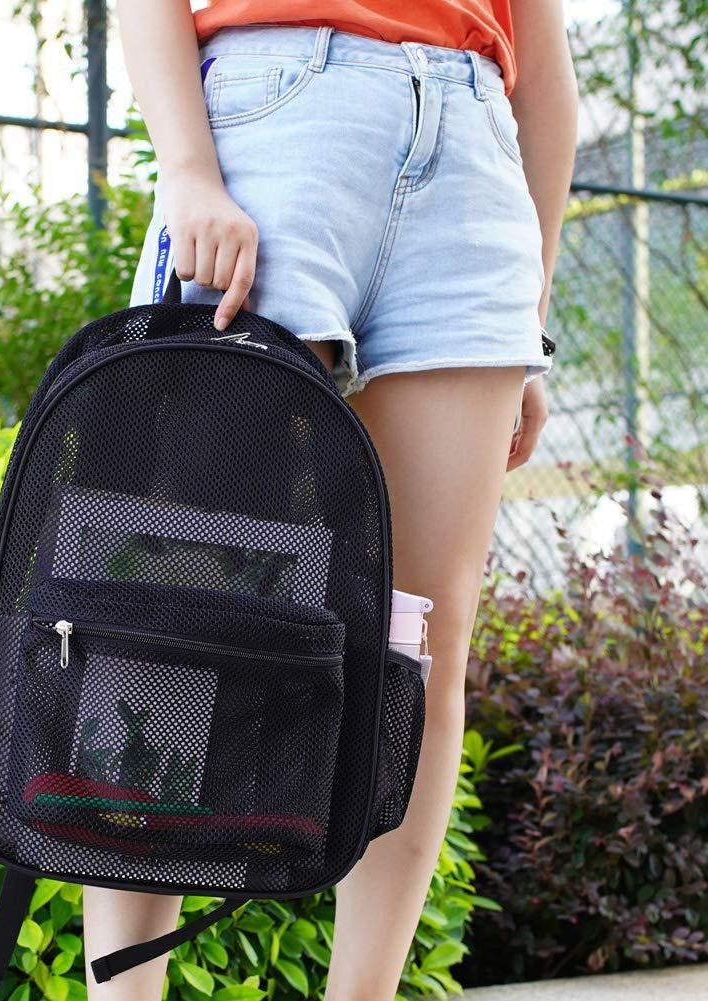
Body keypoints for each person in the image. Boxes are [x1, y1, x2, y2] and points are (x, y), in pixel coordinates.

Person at [88, 2, 578, 997]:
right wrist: (187, 169)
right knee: (183, 611)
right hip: (278, 122)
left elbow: (547, 63)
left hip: (474, 156)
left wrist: (527, 316)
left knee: (418, 649)